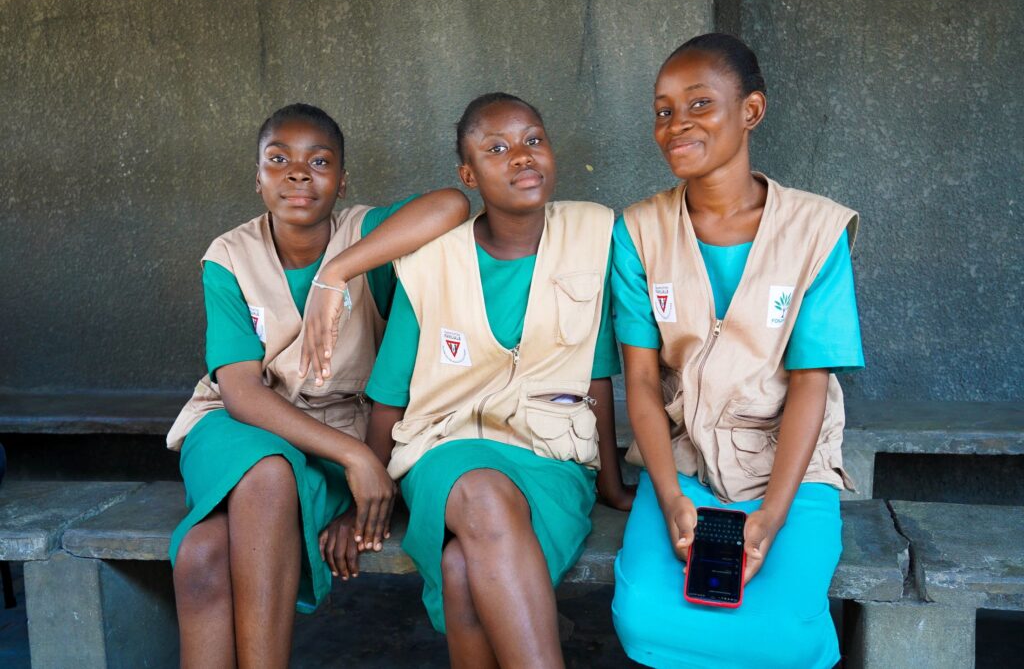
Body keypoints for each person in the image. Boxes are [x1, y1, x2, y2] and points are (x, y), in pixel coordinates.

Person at [329, 92, 632, 668]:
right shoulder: (429, 261)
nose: (521, 156)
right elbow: (390, 398)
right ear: (469, 175)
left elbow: (596, 378)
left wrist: (611, 485)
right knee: (482, 493)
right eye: (497, 148)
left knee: (461, 568)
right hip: (444, 453)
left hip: (551, 457)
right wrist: (360, 496)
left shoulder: (593, 236)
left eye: (533, 140)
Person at [166, 103, 469, 668]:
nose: (298, 173)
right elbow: (240, 392)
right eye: (278, 160)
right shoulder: (229, 256)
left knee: (203, 554)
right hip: (239, 426)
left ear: (342, 179)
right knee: (266, 470)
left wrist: (337, 272)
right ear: (257, 178)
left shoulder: (363, 234)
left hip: (330, 433)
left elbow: (452, 204)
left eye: (318, 161)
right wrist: (357, 457)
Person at [610, 34, 864, 668]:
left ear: (751, 111)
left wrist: (773, 517)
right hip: (686, 462)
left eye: (700, 103)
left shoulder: (815, 230)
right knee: (643, 616)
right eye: (663, 109)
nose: (676, 125)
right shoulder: (638, 230)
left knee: (784, 629)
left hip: (789, 470)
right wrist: (670, 496)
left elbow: (810, 381)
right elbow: (641, 381)